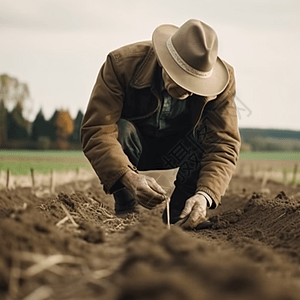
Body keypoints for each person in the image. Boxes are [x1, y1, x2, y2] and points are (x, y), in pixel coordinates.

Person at [81, 19, 240, 229]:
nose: (188, 92)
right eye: (182, 79)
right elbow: (97, 130)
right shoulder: (121, 64)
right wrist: (127, 177)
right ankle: (127, 207)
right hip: (134, 150)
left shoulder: (222, 86)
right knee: (122, 129)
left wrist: (204, 195)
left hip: (182, 152)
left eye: (196, 85)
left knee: (205, 136)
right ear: (164, 60)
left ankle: (182, 212)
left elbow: (224, 144)